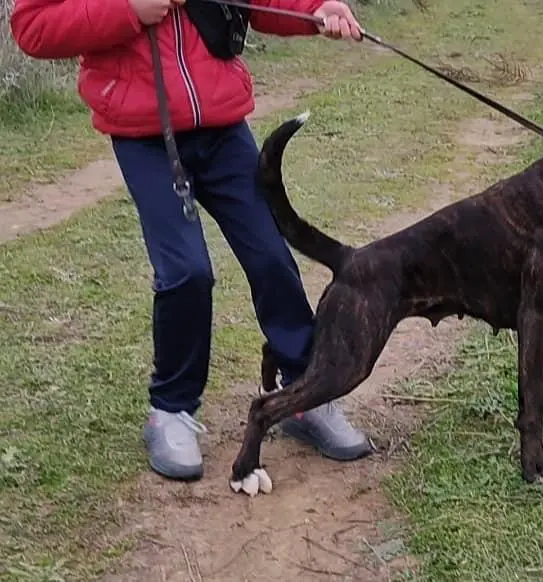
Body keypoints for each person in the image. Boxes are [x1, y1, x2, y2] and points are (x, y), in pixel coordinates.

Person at [10, 0, 373, 481]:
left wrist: (315, 9)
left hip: (225, 130)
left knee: (271, 257)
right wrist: (129, 10)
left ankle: (305, 395)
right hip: (145, 136)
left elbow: (262, 4)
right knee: (186, 272)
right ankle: (172, 410)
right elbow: (33, 28)